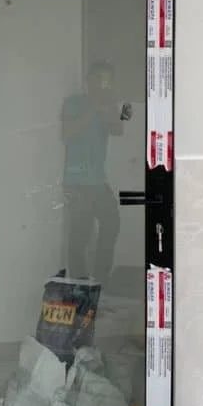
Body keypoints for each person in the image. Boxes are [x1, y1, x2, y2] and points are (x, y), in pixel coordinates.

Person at [61, 62, 131, 285]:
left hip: (98, 181)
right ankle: (80, 285)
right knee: (80, 236)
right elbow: (67, 133)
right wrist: (93, 107)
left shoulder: (108, 105)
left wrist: (111, 108)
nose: (102, 85)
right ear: (89, 81)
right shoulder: (74, 103)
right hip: (77, 181)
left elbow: (119, 130)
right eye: (99, 79)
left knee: (111, 224)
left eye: (107, 81)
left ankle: (100, 279)